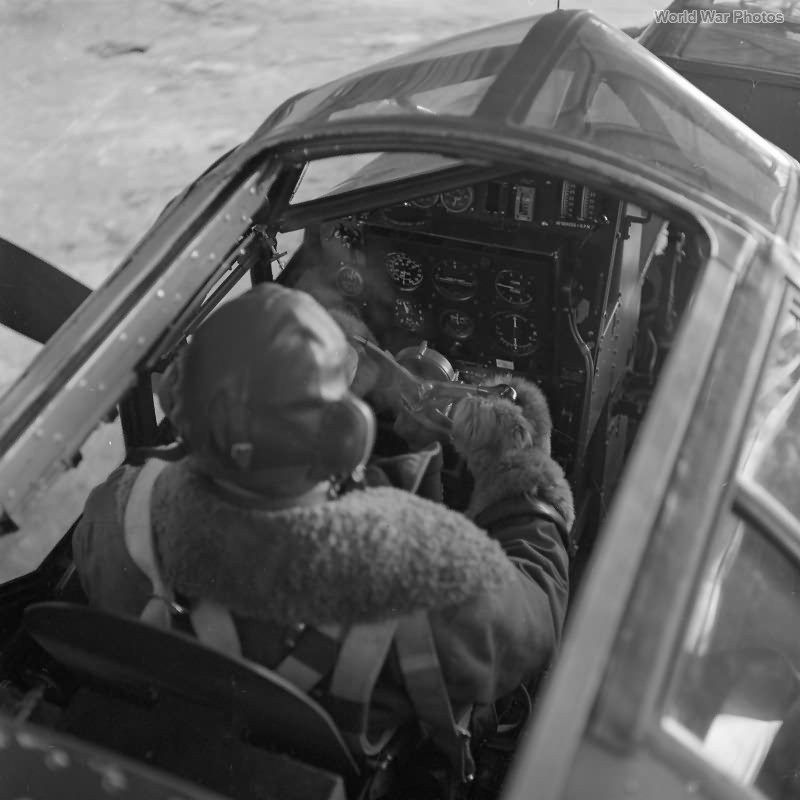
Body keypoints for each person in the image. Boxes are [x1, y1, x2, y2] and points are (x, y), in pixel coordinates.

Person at [72, 282, 574, 782]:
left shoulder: (115, 506)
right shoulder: (421, 564)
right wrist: (519, 470)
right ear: (348, 436)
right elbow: (535, 625)